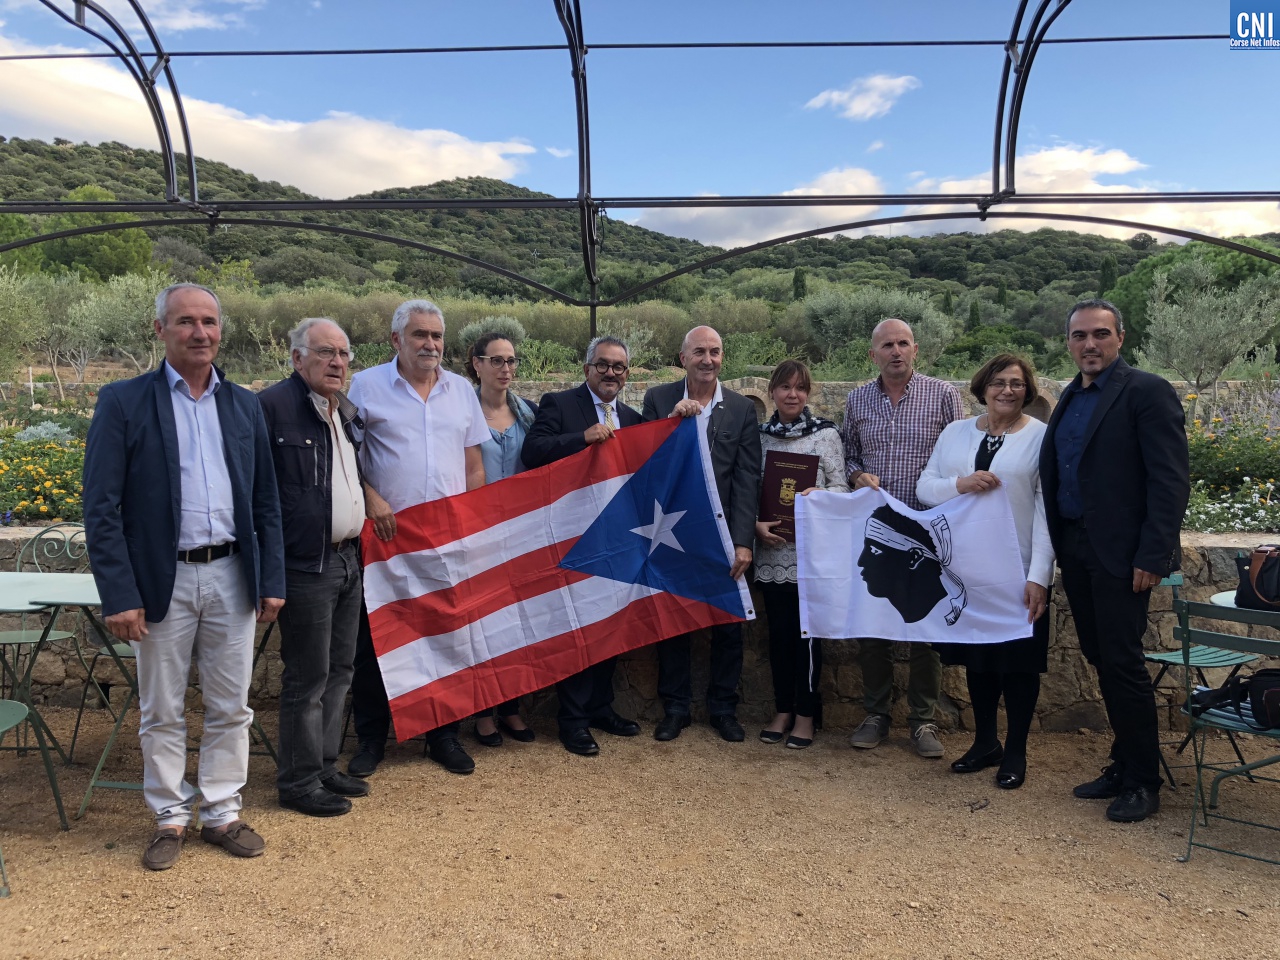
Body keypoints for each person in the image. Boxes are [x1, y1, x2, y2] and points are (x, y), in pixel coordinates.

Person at [82, 282, 285, 872]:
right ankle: (169, 816)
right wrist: (120, 594)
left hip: (232, 575)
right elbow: (101, 507)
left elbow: (265, 500)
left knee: (231, 706)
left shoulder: (244, 404)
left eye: (209, 322)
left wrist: (271, 577)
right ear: (160, 330)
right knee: (161, 709)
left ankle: (221, 812)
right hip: (160, 580)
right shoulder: (123, 401)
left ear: (220, 329)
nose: (200, 333)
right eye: (186, 322)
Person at [1040, 300, 1189, 823]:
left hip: (1124, 556)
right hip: (1076, 548)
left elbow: (1169, 480)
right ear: (1068, 343)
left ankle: (1144, 781)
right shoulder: (1069, 396)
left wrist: (1152, 554)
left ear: (1120, 338)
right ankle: (1123, 764)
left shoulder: (1147, 391)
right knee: (1101, 658)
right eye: (1079, 335)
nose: (1090, 344)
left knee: (1123, 664)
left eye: (1100, 334)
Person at [345, 299, 488, 778]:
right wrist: (370, 498)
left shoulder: (461, 390)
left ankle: (443, 737)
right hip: (387, 540)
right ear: (396, 340)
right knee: (376, 642)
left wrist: (474, 522)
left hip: (448, 541)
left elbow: (473, 465)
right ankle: (371, 739)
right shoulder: (366, 386)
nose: (430, 344)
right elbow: (347, 456)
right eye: (419, 335)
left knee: (447, 637)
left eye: (436, 336)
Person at [917, 354, 1054, 790]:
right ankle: (985, 742)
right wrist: (960, 484)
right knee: (979, 660)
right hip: (967, 569)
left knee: (1019, 664)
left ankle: (1016, 750)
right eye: (998, 383)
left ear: (1027, 391)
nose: (1006, 391)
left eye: (1016, 383)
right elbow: (925, 487)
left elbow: (1048, 511)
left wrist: (1040, 575)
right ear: (983, 388)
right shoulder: (955, 433)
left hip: (1019, 570)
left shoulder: (1041, 437)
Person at [258, 318, 369, 817]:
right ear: (297, 358)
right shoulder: (272, 408)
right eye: (326, 352)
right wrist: (269, 572)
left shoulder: (342, 410)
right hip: (305, 565)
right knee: (307, 677)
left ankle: (323, 766)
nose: (337, 362)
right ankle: (298, 782)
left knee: (340, 669)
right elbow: (258, 497)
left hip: (347, 560)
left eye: (343, 354)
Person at [841, 318, 964, 758]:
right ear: (872, 354)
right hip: (876, 530)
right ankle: (876, 714)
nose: (896, 351)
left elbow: (959, 455)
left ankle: (922, 720)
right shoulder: (857, 400)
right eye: (887, 345)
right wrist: (856, 475)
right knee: (872, 624)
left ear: (915, 350)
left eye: (903, 343)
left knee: (926, 630)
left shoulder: (943, 395)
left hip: (927, 528)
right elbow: (848, 454)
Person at [521, 336, 643, 756]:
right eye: (603, 365)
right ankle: (572, 720)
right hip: (572, 537)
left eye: (619, 367)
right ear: (587, 367)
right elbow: (533, 452)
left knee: (609, 626)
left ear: (627, 374)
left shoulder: (633, 417)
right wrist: (581, 438)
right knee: (575, 627)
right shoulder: (559, 404)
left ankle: (600, 708)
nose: (611, 373)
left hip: (618, 538)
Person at [642, 325, 761, 743]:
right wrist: (671, 424)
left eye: (714, 352)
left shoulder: (742, 409)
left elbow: (747, 478)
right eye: (699, 352)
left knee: (728, 626)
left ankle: (723, 708)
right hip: (672, 532)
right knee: (674, 625)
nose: (707, 359)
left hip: (724, 536)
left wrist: (743, 540)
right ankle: (675, 708)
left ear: (722, 357)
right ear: (683, 358)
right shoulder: (658, 400)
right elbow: (645, 464)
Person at [753, 360, 847, 749]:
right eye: (785, 387)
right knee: (778, 636)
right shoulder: (759, 437)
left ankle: (806, 715)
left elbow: (842, 488)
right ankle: (782, 710)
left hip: (811, 555)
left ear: (808, 393)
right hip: (772, 552)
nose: (793, 394)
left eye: (801, 388)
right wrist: (755, 524)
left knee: (808, 638)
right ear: (772, 392)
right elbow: (749, 490)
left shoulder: (826, 435)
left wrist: (820, 495)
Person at [466, 331, 537, 747]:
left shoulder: (529, 413)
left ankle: (511, 708)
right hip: (478, 535)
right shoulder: (462, 413)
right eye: (496, 360)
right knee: (481, 625)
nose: (506, 368)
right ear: (477, 364)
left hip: (521, 535)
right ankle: (482, 713)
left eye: (511, 360)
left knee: (516, 624)